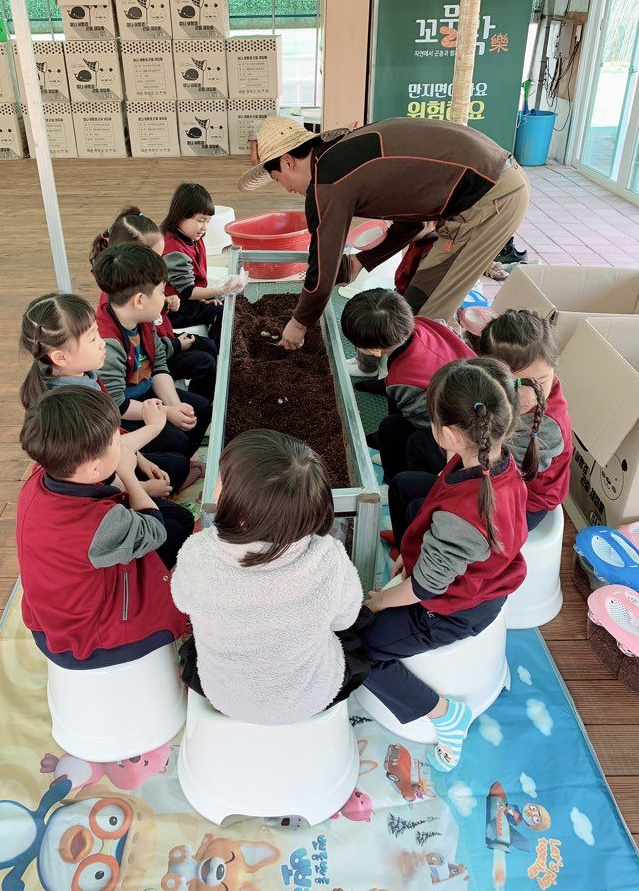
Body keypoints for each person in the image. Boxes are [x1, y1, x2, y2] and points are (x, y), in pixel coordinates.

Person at [362, 358, 528, 772]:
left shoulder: (464, 518)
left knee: (359, 646)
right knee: (405, 488)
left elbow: (426, 589)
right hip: (480, 577)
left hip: (454, 608)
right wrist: (412, 559)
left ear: (450, 435)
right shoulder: (493, 459)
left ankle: (444, 715)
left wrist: (380, 601)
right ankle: (408, 558)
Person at [238, 116, 530, 350]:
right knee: (417, 298)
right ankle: (399, 369)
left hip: (490, 196)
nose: (287, 189)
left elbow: (322, 266)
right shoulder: (339, 155)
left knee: (430, 314)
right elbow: (413, 223)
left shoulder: (327, 181)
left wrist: (299, 323)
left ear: (288, 161)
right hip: (492, 182)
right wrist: (360, 262)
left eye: (278, 179)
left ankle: (419, 388)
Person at [170, 429, 372, 725]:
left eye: (221, 478)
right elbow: (345, 619)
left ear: (240, 509)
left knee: (192, 650)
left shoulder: (196, 552)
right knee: (356, 634)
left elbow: (182, 601)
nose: (214, 482)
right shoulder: (328, 556)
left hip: (225, 696)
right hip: (311, 696)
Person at [17, 386, 190, 670]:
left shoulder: (38, 480)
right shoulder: (99, 524)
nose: (122, 445)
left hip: (51, 619)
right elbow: (154, 530)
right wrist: (127, 474)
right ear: (93, 469)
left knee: (178, 520)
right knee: (174, 534)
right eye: (115, 442)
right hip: (93, 641)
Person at [18, 293, 195, 547]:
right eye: (93, 339)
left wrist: (141, 461)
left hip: (111, 462)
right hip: (102, 482)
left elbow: (112, 436)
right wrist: (143, 487)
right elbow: (99, 470)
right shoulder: (71, 410)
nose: (103, 344)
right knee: (176, 522)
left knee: (175, 465)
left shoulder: (85, 375)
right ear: (60, 357)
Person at [93, 243, 211, 489]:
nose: (165, 298)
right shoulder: (108, 345)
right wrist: (166, 413)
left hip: (147, 396)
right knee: (176, 441)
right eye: (161, 292)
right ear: (139, 300)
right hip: (123, 413)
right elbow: (117, 406)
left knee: (199, 410)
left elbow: (159, 365)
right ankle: (175, 474)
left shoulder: (143, 319)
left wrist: (174, 406)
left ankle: (181, 463)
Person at [341, 288, 474, 480]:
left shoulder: (406, 381)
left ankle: (392, 478)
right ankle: (387, 390)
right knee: (395, 389)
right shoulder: (424, 324)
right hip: (466, 384)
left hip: (462, 433)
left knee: (391, 429)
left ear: (375, 351)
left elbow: (422, 421)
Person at [92, 206, 217, 400]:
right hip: (149, 366)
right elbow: (149, 354)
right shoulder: (119, 326)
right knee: (205, 361)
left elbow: (153, 345)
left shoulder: (133, 294)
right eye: (155, 256)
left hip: (159, 349)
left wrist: (165, 302)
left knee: (208, 348)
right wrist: (175, 345)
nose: (159, 262)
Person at [480, 309, 572, 529]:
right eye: (515, 384)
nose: (529, 397)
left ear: (554, 367)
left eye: (541, 382)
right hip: (500, 480)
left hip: (526, 503)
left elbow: (498, 475)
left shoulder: (547, 427)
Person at [161, 183, 231, 346]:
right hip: (173, 308)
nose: (204, 227)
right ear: (181, 216)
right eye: (200, 220)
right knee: (223, 311)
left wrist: (206, 297)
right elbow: (187, 291)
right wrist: (220, 290)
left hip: (185, 298)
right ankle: (217, 348)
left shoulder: (192, 237)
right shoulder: (174, 250)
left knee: (222, 301)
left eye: (208, 221)